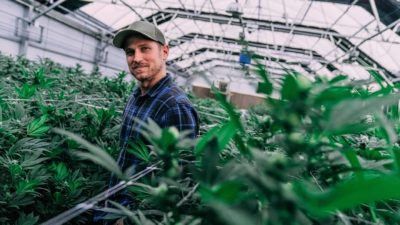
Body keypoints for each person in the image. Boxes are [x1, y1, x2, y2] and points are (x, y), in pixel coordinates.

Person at [94, 21, 199, 225]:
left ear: (165, 52)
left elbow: (179, 181)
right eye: (130, 52)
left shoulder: (175, 106)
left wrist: (129, 220)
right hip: (113, 205)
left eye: (145, 49)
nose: (137, 58)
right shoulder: (136, 96)